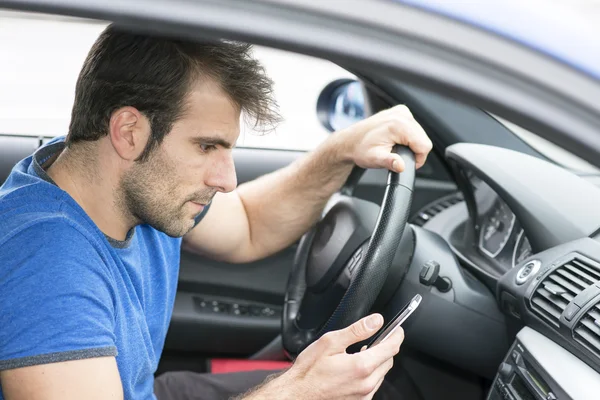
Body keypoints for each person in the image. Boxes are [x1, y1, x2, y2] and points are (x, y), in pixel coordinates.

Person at [0, 24, 432, 400]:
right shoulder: (47, 264)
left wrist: (342, 151)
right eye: (207, 146)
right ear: (128, 132)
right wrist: (301, 391)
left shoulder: (118, 181)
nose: (227, 180)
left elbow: (247, 224)